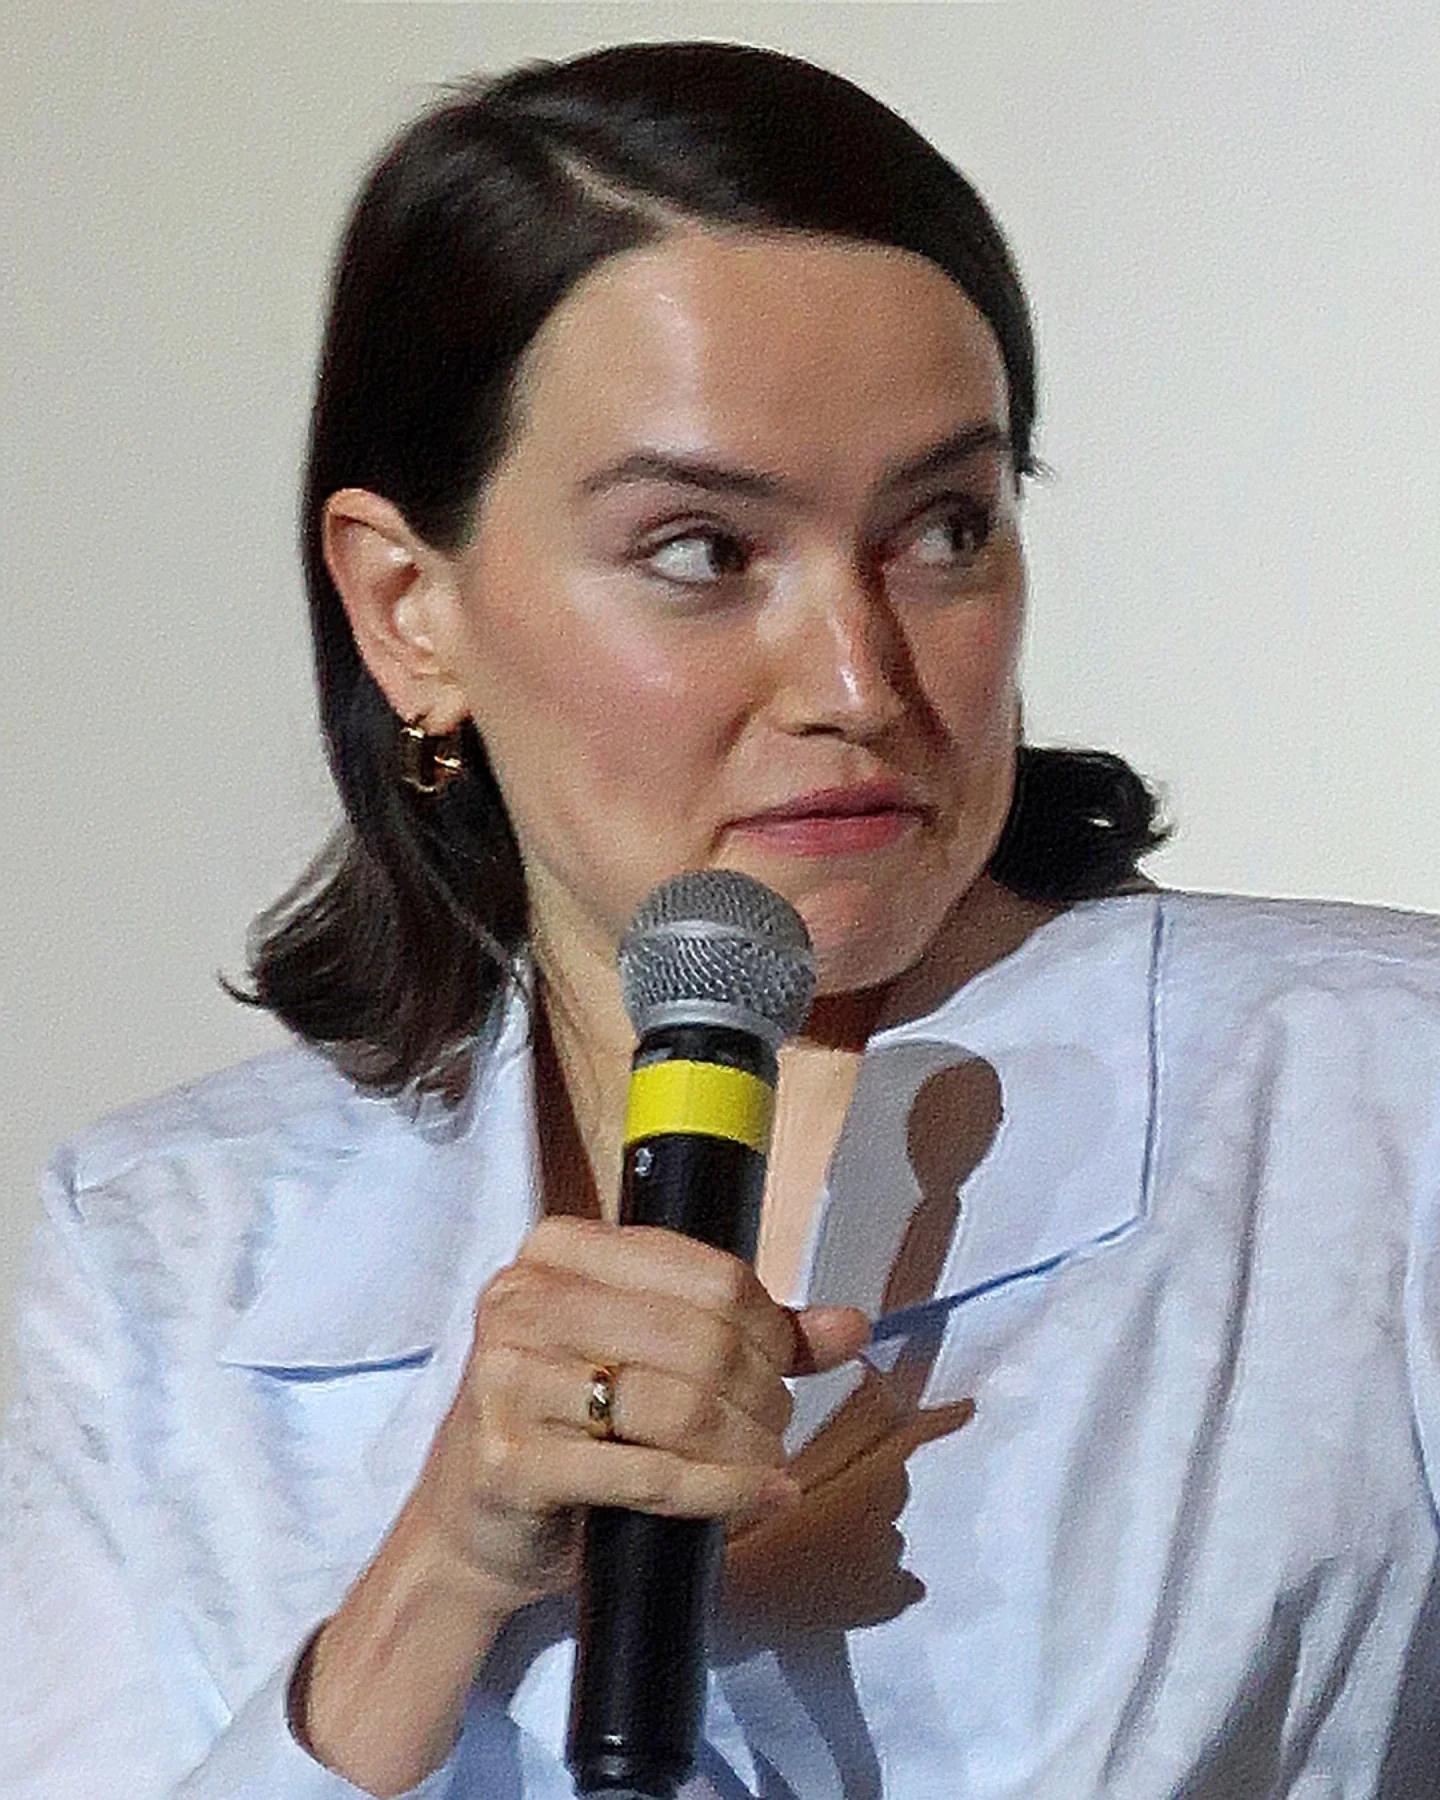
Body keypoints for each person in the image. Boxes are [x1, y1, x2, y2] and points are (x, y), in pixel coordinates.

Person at [3, 38, 1438, 1800]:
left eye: (945, 529)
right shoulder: (166, 1251)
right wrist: (433, 1585)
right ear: (407, 612)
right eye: (702, 550)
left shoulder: (1378, 1109)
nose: (857, 680)